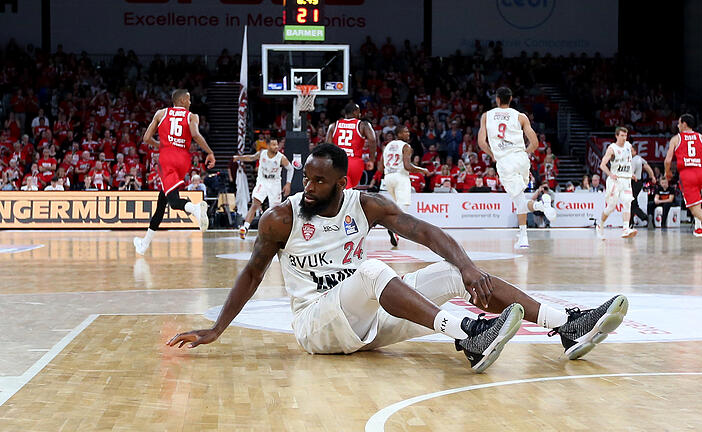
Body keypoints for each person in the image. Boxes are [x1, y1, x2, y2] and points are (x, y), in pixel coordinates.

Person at [167, 144, 629, 372]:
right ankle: (468, 334)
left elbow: (423, 231)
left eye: (319, 182)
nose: (308, 188)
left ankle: (565, 323)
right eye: (306, 179)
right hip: (316, 325)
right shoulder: (279, 219)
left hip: (366, 324)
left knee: (449, 271)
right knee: (371, 270)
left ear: (341, 185)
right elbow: (251, 274)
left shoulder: (364, 205)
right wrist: (216, 329)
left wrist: (466, 267)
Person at [133, 89, 216, 255]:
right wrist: (209, 152)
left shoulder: (161, 113)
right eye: (189, 99)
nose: (191, 102)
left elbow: (147, 138)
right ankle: (144, 245)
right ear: (183, 100)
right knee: (161, 205)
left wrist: (163, 146)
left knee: (173, 201)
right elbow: (195, 135)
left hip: (167, 159)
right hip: (183, 160)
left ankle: (195, 209)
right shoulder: (192, 116)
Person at [477, 87, 556, 249]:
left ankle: (540, 207)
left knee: (520, 201)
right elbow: (535, 143)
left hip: (505, 161)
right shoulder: (520, 116)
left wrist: (493, 155)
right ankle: (523, 235)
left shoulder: (487, 116)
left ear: (497, 99)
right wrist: (525, 153)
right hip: (521, 159)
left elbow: (481, 143)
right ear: (511, 99)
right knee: (519, 198)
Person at [664, 114, 702, 246]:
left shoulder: (676, 138)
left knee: (694, 208)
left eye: (679, 123)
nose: (678, 126)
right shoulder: (701, 137)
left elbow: (668, 160)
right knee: (696, 202)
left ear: (684, 124)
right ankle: (698, 227)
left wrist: (667, 172)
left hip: (687, 174)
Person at [233, 139, 294, 240]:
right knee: (255, 204)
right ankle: (245, 228)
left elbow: (290, 169)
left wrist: (288, 184)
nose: (276, 147)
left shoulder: (281, 158)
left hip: (275, 183)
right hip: (263, 181)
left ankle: (275, 231)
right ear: (268, 145)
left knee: (275, 209)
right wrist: (239, 158)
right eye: (274, 144)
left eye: (277, 144)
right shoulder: (262, 153)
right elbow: (251, 157)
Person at [380, 125, 429, 247]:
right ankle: (394, 229)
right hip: (400, 177)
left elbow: (380, 166)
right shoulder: (406, 146)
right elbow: (407, 166)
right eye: (405, 132)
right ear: (399, 134)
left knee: (397, 205)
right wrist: (422, 170)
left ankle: (393, 228)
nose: (408, 133)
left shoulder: (387, 146)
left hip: (388, 177)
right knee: (404, 205)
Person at [595, 127, 637, 239]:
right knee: (611, 207)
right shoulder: (612, 148)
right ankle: (600, 225)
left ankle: (625, 229)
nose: (624, 138)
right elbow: (602, 165)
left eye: (625, 136)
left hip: (626, 179)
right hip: (615, 180)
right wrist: (610, 174)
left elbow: (628, 162)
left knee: (628, 202)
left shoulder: (628, 146)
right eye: (622, 135)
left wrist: (631, 173)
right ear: (617, 136)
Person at [326, 103, 377, 189]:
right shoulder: (363, 125)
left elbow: (327, 146)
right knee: (348, 191)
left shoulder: (333, 125)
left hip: (338, 162)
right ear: (355, 112)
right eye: (359, 112)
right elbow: (372, 140)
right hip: (355, 162)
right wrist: (371, 160)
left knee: (342, 191)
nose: (360, 114)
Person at [630, 145, 657, 228]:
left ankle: (644, 217)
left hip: (634, 182)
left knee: (631, 202)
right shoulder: (639, 158)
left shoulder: (634, 160)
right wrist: (652, 176)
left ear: (635, 151)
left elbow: (630, 173)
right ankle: (631, 223)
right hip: (638, 182)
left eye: (631, 151)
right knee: (632, 202)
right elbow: (647, 166)